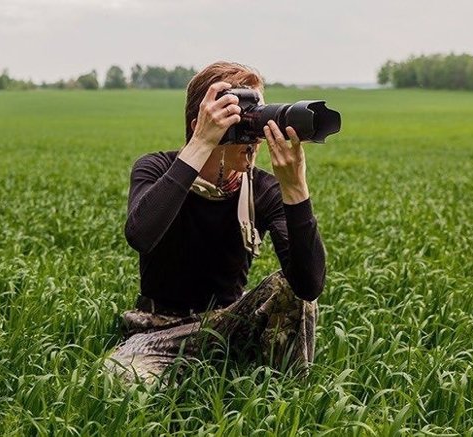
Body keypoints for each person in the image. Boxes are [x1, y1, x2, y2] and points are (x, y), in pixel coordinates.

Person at [106, 61, 326, 382]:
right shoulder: (155, 168)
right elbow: (141, 235)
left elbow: (308, 287)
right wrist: (200, 143)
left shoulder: (262, 189)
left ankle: (287, 402)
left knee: (288, 288)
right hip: (159, 329)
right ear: (202, 123)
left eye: (256, 114)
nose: (255, 134)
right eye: (239, 119)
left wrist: (296, 189)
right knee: (118, 379)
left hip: (227, 327)